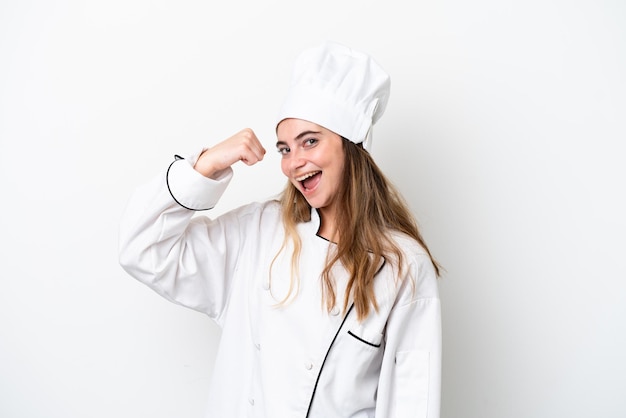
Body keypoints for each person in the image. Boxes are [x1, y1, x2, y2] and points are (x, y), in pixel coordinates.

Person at [119, 41, 442, 418]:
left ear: (351, 147)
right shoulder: (257, 234)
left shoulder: (402, 265)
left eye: (310, 141)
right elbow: (141, 249)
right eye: (284, 149)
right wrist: (205, 165)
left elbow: (412, 403)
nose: (294, 162)